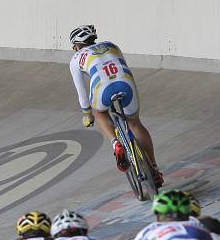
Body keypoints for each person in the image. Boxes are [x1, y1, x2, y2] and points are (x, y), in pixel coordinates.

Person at [68, 24, 163, 186]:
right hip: (125, 82)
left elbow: (82, 94)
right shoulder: (112, 45)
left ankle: (116, 143)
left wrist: (87, 114)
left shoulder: (76, 58)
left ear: (77, 45)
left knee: (99, 113)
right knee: (134, 123)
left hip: (101, 88)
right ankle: (153, 168)